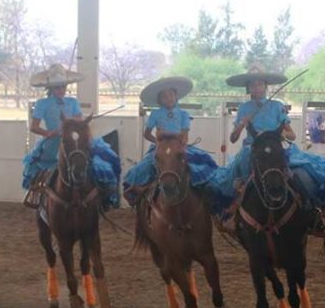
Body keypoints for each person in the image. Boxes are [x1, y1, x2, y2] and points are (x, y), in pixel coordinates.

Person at [210, 65, 325, 214]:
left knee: (297, 174)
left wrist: (279, 134)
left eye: (260, 84)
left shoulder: (277, 106)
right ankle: (236, 203)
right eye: (253, 85)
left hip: (276, 146)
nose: (256, 88)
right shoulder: (243, 108)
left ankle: (307, 205)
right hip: (253, 148)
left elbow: (292, 135)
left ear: (265, 86)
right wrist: (242, 123)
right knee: (241, 169)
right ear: (248, 87)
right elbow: (233, 139)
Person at [22, 64, 120, 209]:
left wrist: (78, 125)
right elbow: (33, 127)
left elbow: (79, 120)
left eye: (63, 87)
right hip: (53, 142)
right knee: (42, 170)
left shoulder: (72, 102)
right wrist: (49, 133)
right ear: (50, 88)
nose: (61, 90)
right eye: (57, 87)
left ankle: (102, 196)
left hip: (74, 138)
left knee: (100, 160)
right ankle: (40, 196)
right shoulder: (42, 103)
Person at [122, 77, 219, 206]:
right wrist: (158, 143)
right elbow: (146, 134)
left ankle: (206, 198)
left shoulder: (184, 114)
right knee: (143, 168)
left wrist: (165, 134)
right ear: (159, 100)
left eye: (171, 95)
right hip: (160, 148)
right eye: (164, 96)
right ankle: (143, 194)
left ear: (176, 96)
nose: (168, 98)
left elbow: (184, 137)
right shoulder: (155, 114)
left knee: (203, 164)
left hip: (179, 147)